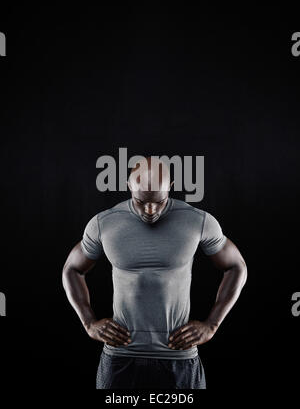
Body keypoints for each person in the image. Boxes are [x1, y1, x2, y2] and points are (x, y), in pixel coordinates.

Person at [62, 156, 247, 389]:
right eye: (141, 201)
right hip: (120, 359)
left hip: (179, 360)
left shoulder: (198, 221)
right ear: (129, 186)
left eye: (159, 201)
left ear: (169, 188)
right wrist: (89, 322)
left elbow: (236, 265)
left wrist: (212, 324)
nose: (150, 211)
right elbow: (72, 268)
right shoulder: (104, 223)